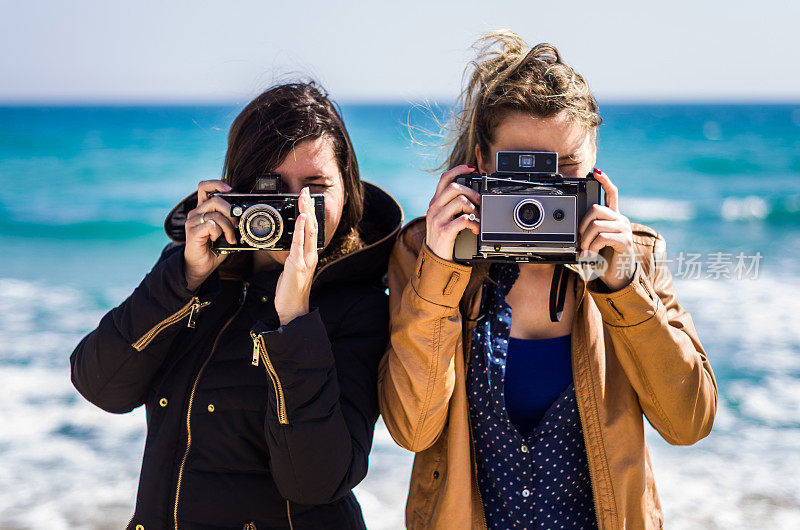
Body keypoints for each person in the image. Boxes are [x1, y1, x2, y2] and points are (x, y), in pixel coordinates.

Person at [378, 30, 717, 529]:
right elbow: (412, 428)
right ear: (481, 162)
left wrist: (618, 283)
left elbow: (688, 421)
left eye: (564, 172)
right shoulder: (422, 255)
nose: (541, 197)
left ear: (596, 170)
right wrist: (441, 271)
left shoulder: (632, 257)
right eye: (522, 172)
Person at [70, 82, 403, 529]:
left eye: (316, 186)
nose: (295, 206)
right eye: (272, 186)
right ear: (238, 187)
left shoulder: (359, 304)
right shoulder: (192, 274)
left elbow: (314, 482)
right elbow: (99, 386)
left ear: (348, 190)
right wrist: (184, 277)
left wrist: (293, 322)